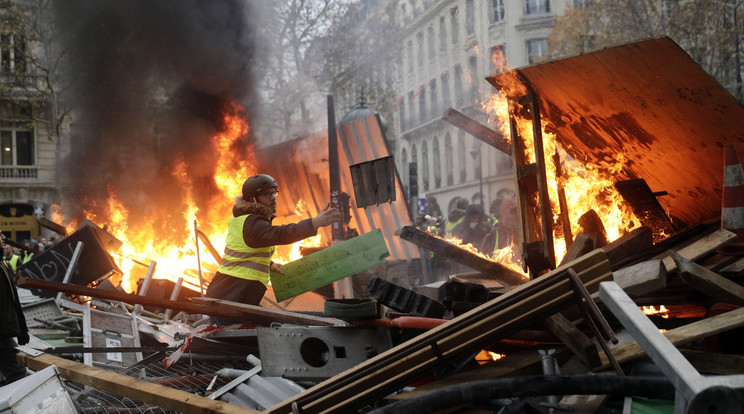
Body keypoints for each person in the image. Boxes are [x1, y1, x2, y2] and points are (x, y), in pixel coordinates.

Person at [205, 174, 341, 324]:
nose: (273, 197)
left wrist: (268, 263)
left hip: (232, 291)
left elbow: (245, 250)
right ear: (252, 199)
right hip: (232, 293)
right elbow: (279, 234)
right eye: (266, 194)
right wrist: (314, 223)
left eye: (274, 192)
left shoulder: (246, 218)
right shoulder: (253, 222)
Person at [0, 231, 29, 386]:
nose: (4, 237)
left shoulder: (1, 263)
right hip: (2, 336)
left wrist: (21, 329)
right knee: (17, 374)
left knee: (16, 372)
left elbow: (11, 300)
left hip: (4, 334)